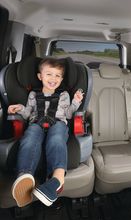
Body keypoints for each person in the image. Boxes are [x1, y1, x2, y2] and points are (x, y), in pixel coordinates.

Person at [8, 58, 84, 207]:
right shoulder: (33, 95)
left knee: (56, 139)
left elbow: (68, 114)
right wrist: (20, 108)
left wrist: (76, 101)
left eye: (57, 76)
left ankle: (57, 179)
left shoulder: (64, 95)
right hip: (37, 123)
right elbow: (28, 113)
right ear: (40, 76)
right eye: (49, 74)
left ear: (61, 79)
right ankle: (24, 177)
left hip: (58, 124)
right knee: (29, 138)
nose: (53, 79)